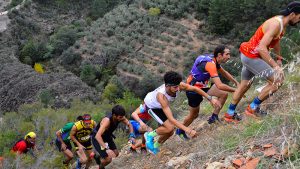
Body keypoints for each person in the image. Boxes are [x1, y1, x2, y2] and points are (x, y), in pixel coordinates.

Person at [225, 1, 300, 123]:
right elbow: (261, 48)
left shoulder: (281, 24)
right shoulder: (276, 24)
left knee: (245, 85)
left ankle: (229, 115)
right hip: (252, 56)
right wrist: (275, 66)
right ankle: (252, 109)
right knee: (277, 81)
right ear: (292, 14)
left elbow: (276, 41)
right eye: (299, 17)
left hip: (248, 54)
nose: (299, 20)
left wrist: (279, 58)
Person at [143, 71, 221, 155]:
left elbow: (195, 89)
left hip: (162, 106)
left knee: (170, 131)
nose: (178, 89)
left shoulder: (179, 85)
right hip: (152, 106)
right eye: (175, 87)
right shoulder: (161, 96)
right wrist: (187, 130)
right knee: (169, 128)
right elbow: (172, 119)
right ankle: (149, 135)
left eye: (178, 86)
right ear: (167, 86)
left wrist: (210, 98)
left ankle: (155, 146)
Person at [176, 45, 239, 138]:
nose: (229, 57)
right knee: (194, 115)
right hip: (193, 89)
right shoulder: (210, 64)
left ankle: (214, 117)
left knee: (223, 94)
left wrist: (237, 83)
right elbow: (220, 85)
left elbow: (224, 72)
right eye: (227, 54)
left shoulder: (214, 59)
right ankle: (180, 130)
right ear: (219, 55)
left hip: (204, 85)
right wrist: (237, 90)